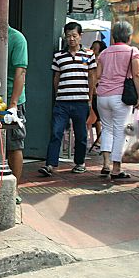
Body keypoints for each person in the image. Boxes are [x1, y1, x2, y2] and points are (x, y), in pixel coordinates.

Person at [39, 22, 97, 177]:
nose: (71, 39)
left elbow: (92, 77)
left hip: (81, 101)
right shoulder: (59, 56)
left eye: (74, 36)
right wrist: (58, 94)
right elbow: (56, 78)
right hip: (62, 102)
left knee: (81, 134)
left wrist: (90, 99)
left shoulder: (88, 55)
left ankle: (80, 163)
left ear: (80, 36)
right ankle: (50, 164)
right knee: (56, 132)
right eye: (68, 36)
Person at [0, 19, 28, 204]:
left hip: (11, 100)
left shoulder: (17, 39)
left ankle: (13, 190)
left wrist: (13, 104)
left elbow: (21, 72)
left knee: (14, 145)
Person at [96, 21, 139, 180]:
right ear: (129, 37)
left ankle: (105, 164)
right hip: (121, 97)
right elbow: (136, 74)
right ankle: (116, 169)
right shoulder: (132, 51)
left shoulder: (104, 53)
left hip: (102, 97)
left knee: (107, 129)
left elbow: (98, 75)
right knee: (119, 132)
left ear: (114, 37)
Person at [89, 40, 107, 151]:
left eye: (95, 48)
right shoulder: (89, 59)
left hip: (98, 92)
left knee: (98, 117)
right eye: (92, 47)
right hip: (92, 91)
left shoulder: (100, 60)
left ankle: (100, 139)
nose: (93, 50)